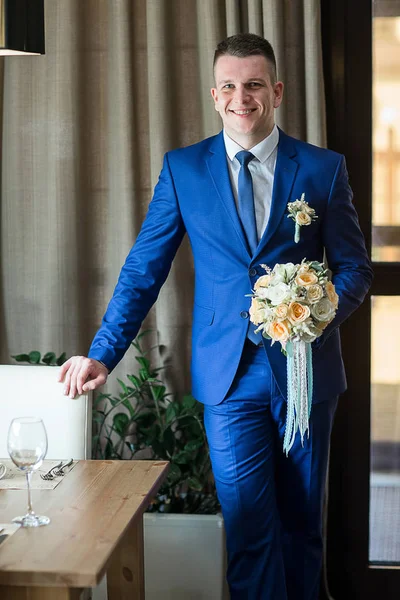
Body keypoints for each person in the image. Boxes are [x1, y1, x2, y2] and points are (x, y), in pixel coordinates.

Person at [59, 33, 373, 600]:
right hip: (228, 378)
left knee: (303, 528)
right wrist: (102, 352)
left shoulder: (324, 170)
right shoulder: (184, 169)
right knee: (251, 529)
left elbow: (355, 270)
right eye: (229, 86)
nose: (241, 98)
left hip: (306, 374)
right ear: (213, 94)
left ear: (275, 91)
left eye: (254, 85)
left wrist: (316, 312)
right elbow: (142, 271)